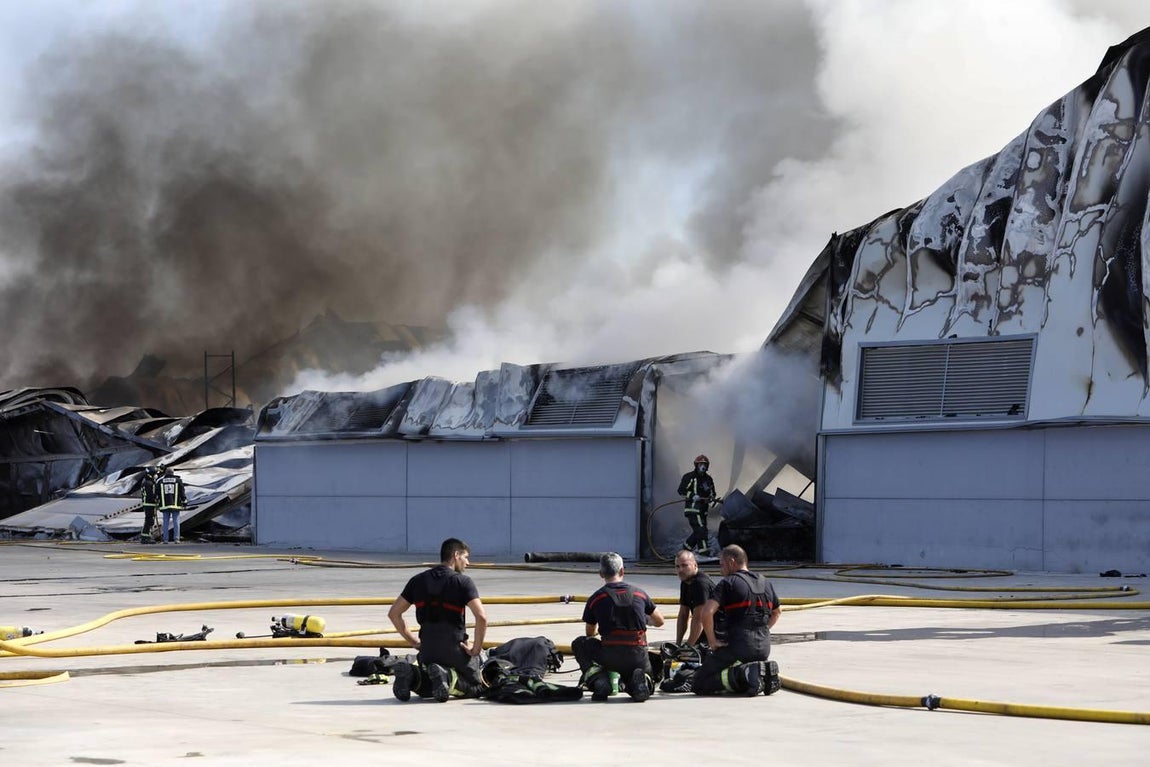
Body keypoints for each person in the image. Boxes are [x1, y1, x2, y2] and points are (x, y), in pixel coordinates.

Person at [388, 538, 488, 702]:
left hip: (427, 651)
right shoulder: (463, 582)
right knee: (476, 687)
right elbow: (481, 617)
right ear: (456, 555)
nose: (468, 562)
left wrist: (414, 642)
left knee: (432, 688)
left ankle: (412, 675)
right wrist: (476, 649)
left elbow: (394, 614)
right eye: (465, 557)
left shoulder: (417, 580)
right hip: (454, 649)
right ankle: (448, 676)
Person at [571, 552, 665, 702]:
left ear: (601, 574)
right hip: (638, 655)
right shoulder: (640, 594)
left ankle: (599, 680)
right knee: (640, 673)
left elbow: (589, 633)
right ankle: (641, 682)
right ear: (622, 571)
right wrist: (643, 619)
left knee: (580, 643)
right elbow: (660, 621)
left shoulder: (596, 598)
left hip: (609, 654)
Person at [692, 544, 782, 697]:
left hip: (738, 646)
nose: (721, 570)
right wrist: (763, 631)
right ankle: (758, 676)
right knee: (727, 670)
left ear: (731, 562)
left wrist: (712, 642)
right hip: (764, 647)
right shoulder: (766, 582)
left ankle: (744, 673)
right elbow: (777, 612)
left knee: (699, 683)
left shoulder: (728, 583)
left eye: (721, 564)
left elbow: (706, 613)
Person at [674, 548, 717, 647]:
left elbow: (699, 619)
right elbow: (683, 615)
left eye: (685, 565)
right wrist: (677, 644)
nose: (680, 570)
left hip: (715, 635)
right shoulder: (686, 582)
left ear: (695, 565)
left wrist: (688, 647)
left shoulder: (701, 584)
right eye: (677, 566)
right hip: (703, 634)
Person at [678, 454, 717, 554]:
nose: (703, 466)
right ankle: (703, 552)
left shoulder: (708, 479)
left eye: (704, 464)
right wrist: (692, 496)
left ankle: (686, 549)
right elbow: (681, 490)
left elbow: (712, 492)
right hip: (693, 509)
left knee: (699, 531)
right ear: (696, 465)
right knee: (701, 529)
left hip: (703, 510)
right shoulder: (689, 477)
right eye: (700, 464)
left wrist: (711, 498)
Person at [155, 466, 187, 544]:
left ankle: (165, 540)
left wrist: (156, 503)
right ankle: (176, 539)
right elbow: (182, 492)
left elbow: (156, 493)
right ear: (173, 473)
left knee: (165, 522)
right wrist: (184, 501)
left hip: (164, 505)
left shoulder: (160, 481)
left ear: (165, 473)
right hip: (175, 505)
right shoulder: (178, 481)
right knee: (176, 521)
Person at [139, 467, 160, 542]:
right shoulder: (149, 483)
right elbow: (151, 495)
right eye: (155, 474)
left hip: (147, 503)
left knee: (149, 520)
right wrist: (156, 498)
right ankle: (145, 537)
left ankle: (146, 536)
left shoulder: (145, 482)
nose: (156, 475)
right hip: (150, 504)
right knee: (149, 520)